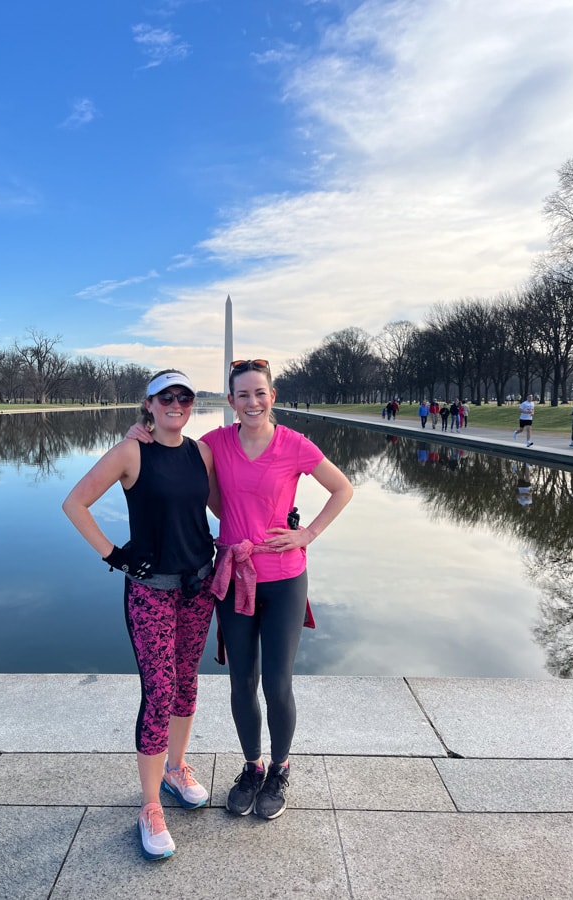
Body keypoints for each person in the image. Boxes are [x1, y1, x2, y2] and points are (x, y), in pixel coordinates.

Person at [127, 358, 353, 821]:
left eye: (260, 393)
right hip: (232, 575)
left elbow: (343, 488)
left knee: (277, 682)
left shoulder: (294, 444)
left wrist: (306, 533)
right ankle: (252, 766)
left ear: (272, 397)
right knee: (241, 681)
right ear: (230, 402)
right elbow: (179, 462)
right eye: (243, 395)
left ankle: (280, 768)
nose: (252, 402)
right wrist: (138, 433)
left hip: (285, 578)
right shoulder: (214, 444)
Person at [62, 369, 218, 862]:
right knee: (159, 690)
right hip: (151, 591)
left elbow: (218, 504)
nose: (176, 403)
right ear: (148, 404)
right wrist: (116, 556)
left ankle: (176, 768)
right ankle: (149, 806)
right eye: (165, 397)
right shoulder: (132, 452)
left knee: (187, 682)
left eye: (184, 396)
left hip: (197, 584)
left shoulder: (201, 452)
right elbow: (75, 503)